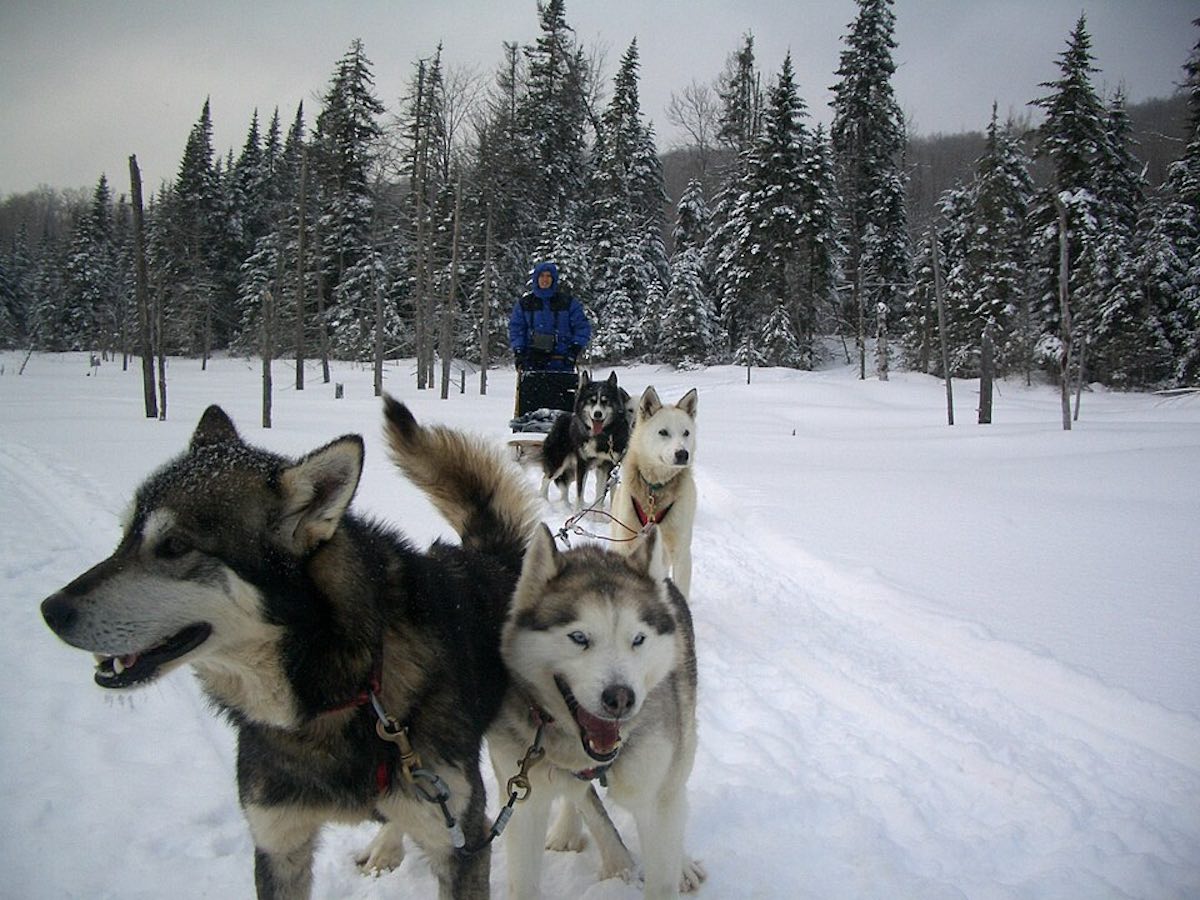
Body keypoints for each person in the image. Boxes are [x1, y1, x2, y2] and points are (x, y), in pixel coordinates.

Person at [509, 261, 591, 372]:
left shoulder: (568, 303)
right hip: (532, 362)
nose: (545, 279)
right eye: (542, 276)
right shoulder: (525, 304)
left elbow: (582, 327)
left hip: (562, 362)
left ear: (554, 279)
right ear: (536, 278)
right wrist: (519, 351)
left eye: (548, 276)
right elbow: (516, 329)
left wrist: (574, 349)